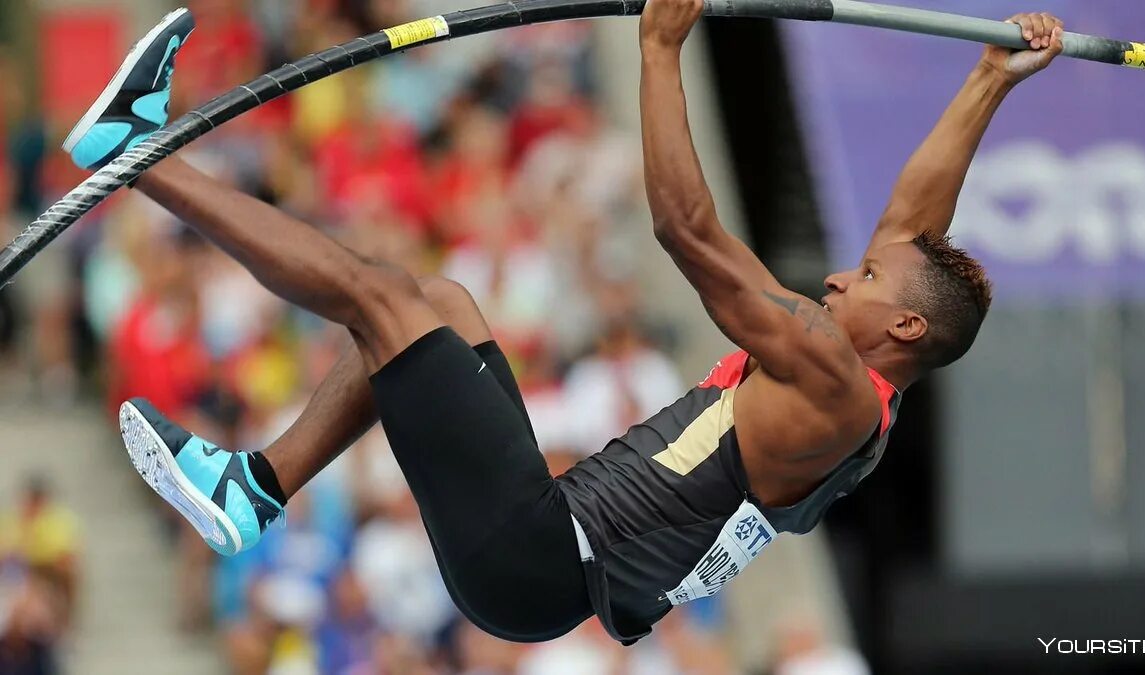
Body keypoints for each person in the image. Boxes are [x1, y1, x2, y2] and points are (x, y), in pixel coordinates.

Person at [60, 2, 1064, 646]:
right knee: (438, 307)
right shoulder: (868, 381)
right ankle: (254, 489)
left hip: (541, 554)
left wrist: (661, 48)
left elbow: (684, 228)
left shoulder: (828, 383)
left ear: (904, 332)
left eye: (865, 279)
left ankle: (135, 154)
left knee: (385, 300)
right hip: (541, 552)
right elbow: (913, 234)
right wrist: (986, 80)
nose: (842, 277)